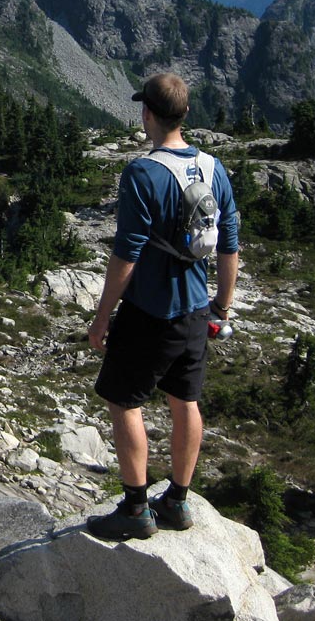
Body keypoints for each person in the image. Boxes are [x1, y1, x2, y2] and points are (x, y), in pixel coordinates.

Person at [85, 72, 240, 541]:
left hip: (150, 311)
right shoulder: (215, 168)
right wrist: (222, 308)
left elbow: (126, 255)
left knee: (123, 401)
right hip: (196, 311)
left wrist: (101, 316)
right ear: (185, 114)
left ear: (146, 113)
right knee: (185, 400)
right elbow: (229, 242)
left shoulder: (142, 173)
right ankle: (177, 500)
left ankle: (135, 508)